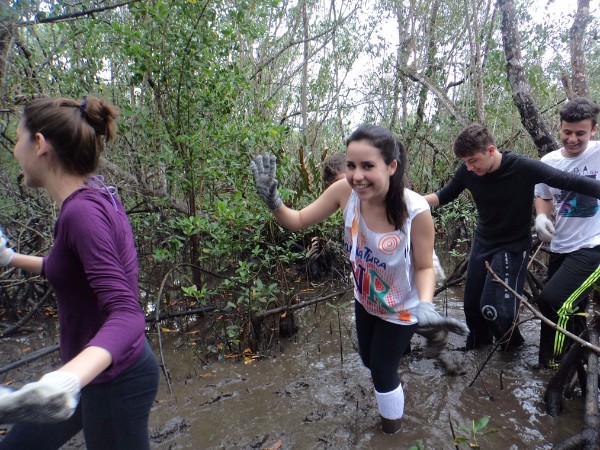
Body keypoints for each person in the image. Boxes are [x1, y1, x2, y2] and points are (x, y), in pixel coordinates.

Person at [251, 124, 467, 434]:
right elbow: (297, 221)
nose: (357, 175)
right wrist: (274, 203)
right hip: (365, 300)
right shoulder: (343, 192)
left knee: (380, 369)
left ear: (391, 166)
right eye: (352, 165)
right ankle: (394, 387)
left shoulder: (416, 211)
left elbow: (423, 267)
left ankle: (391, 433)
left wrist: (426, 304)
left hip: (402, 308)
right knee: (369, 361)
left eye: (368, 166)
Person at [0, 97, 160, 450]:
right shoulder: (97, 196)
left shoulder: (80, 214)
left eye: (17, 139)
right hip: (88, 375)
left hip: (116, 381)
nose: (14, 151)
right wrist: (10, 258)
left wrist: (66, 379)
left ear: (39, 144)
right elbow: (69, 270)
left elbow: (128, 314)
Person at [425, 123, 600, 351]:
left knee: (494, 309)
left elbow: (568, 181)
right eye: (465, 161)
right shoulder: (467, 171)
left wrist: (541, 216)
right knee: (471, 307)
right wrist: (408, 200)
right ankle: (477, 353)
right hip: (483, 242)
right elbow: (442, 196)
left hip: (513, 247)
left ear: (490, 150)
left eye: (473, 160)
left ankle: (513, 348)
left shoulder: (522, 166)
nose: (469, 167)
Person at [534, 97, 600, 368]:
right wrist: (540, 216)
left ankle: (556, 365)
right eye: (567, 132)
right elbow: (544, 196)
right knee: (571, 308)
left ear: (593, 130)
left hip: (594, 245)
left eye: (580, 133)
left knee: (554, 299)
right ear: (560, 128)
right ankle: (576, 358)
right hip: (562, 244)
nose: (572, 139)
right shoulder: (548, 161)